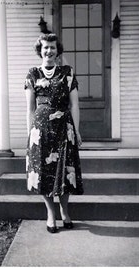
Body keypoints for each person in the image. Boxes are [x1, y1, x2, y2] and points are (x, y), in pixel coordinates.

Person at [24, 33, 84, 233]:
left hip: (63, 129)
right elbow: (30, 109)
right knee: (43, 173)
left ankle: (64, 211)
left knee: (66, 171)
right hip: (41, 131)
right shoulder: (32, 74)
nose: (49, 51)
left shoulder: (67, 72)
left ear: (58, 51)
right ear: (40, 51)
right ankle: (51, 214)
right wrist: (30, 134)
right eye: (45, 47)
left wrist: (76, 131)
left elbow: (74, 105)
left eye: (52, 47)